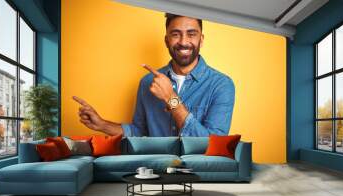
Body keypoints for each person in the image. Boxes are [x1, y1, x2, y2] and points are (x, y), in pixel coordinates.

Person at [73, 13, 235, 137]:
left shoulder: (221, 85)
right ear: (166, 40)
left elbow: (213, 146)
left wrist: (171, 98)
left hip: (197, 173)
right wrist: (102, 125)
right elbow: (140, 132)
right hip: (155, 171)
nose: (184, 42)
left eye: (191, 34)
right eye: (176, 34)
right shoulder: (147, 82)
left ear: (201, 39)